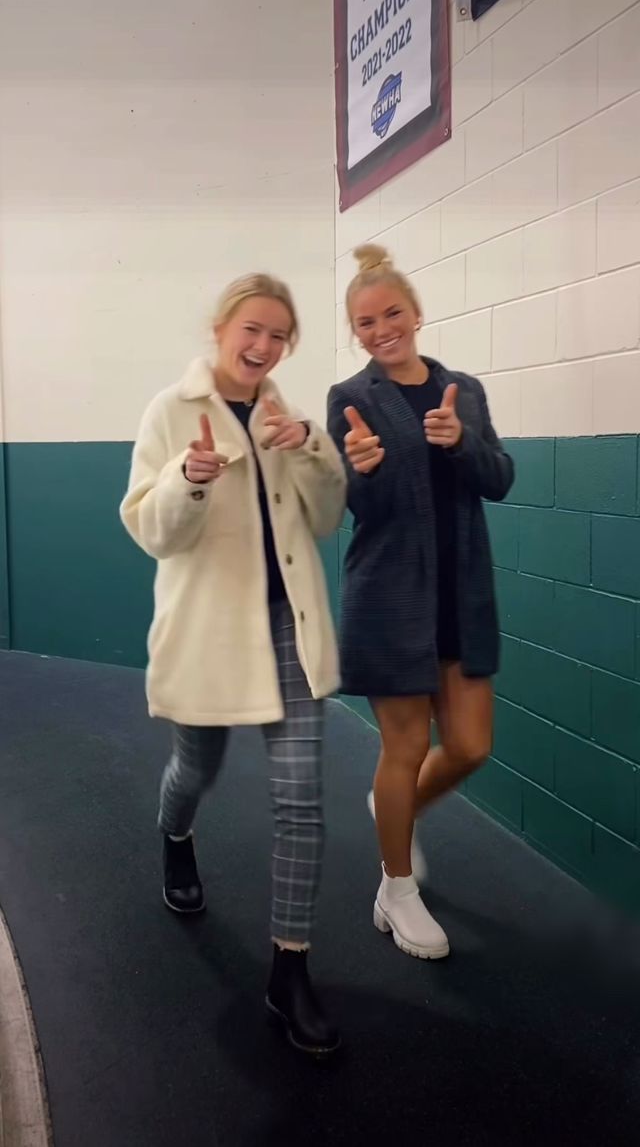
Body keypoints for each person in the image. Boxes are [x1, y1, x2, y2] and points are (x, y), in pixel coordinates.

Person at [120, 273, 346, 1055]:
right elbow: (151, 532)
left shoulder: (287, 418)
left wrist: (312, 446)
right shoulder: (169, 411)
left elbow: (325, 517)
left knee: (301, 798)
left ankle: (290, 970)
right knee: (197, 767)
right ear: (220, 329)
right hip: (211, 632)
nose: (264, 345)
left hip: (289, 628)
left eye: (279, 334)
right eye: (252, 328)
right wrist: (186, 480)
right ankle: (174, 832)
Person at [327, 244, 514, 962]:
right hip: (388, 595)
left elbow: (499, 479)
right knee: (403, 747)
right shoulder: (351, 397)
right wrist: (364, 471)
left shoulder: (463, 389)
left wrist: (462, 442)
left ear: (416, 313)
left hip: (460, 595)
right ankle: (396, 889)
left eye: (392, 314)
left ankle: (392, 809)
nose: (382, 330)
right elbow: (358, 506)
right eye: (366, 322)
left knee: (470, 746)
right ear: (355, 331)